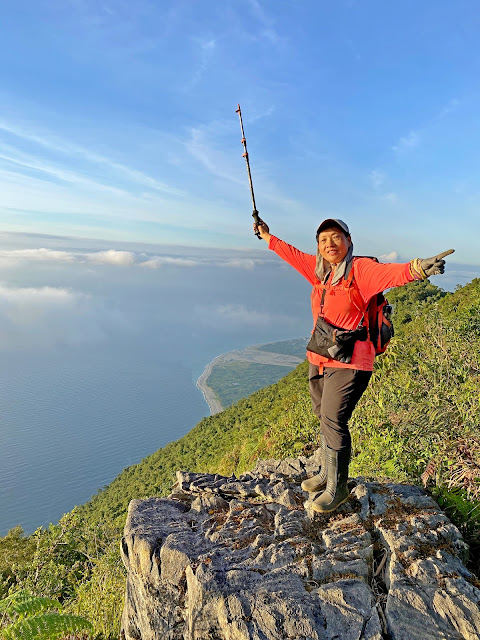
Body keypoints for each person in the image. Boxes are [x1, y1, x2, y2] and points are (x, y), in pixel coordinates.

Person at [253, 217, 454, 513]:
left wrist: (418, 268)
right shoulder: (321, 271)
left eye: (335, 238)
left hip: (352, 360)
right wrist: (268, 236)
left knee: (334, 419)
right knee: (323, 415)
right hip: (320, 354)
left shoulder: (360, 270)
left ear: (348, 241)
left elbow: (392, 274)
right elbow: (291, 254)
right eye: (323, 240)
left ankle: (338, 488)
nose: (329, 244)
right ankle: (325, 473)